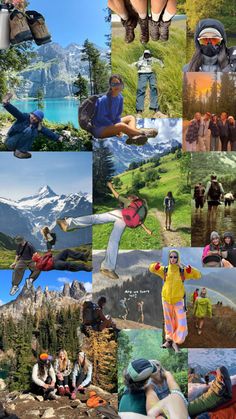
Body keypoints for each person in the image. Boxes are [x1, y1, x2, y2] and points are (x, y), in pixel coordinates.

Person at [57, 182, 153, 279]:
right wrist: (147, 230)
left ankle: (68, 223)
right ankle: (108, 268)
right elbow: (139, 221)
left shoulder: (130, 202)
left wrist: (111, 187)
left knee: (96, 218)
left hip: (120, 215)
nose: (128, 198)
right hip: (125, 222)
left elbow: (117, 195)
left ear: (132, 198)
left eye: (129, 197)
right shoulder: (139, 207)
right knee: (114, 241)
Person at [149, 249, 201, 353]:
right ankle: (169, 340)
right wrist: (155, 266)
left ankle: (176, 341)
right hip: (166, 299)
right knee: (168, 321)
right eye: (171, 257)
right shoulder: (164, 269)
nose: (173, 259)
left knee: (181, 322)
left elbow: (198, 275)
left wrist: (190, 269)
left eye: (175, 257)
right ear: (169, 258)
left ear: (178, 258)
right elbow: (151, 269)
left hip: (178, 300)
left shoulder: (183, 271)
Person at [90, 74, 158, 145]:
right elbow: (101, 118)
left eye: (118, 84)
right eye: (113, 84)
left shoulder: (120, 97)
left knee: (131, 118)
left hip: (110, 124)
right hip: (99, 129)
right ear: (110, 86)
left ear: (121, 85)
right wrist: (116, 127)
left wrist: (116, 126)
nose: (116, 86)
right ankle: (143, 133)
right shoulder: (104, 99)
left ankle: (133, 137)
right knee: (122, 126)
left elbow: (117, 116)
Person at [2, 92, 63, 159]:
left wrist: (57, 137)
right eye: (34, 115)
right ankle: (19, 152)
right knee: (29, 130)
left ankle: (21, 151)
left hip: (18, 146)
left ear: (39, 121)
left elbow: (47, 132)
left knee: (35, 130)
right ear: (31, 114)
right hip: (11, 141)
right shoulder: (24, 117)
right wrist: (6, 104)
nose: (34, 118)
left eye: (37, 118)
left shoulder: (37, 126)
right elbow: (16, 112)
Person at [130, 49, 164, 116]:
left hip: (152, 73)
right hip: (142, 74)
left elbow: (159, 62)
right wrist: (130, 66)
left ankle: (155, 108)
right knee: (140, 89)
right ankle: (139, 110)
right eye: (145, 54)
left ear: (149, 54)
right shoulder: (140, 60)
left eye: (148, 54)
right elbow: (135, 64)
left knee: (154, 88)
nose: (146, 55)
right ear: (143, 54)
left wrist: (162, 66)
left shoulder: (153, 59)